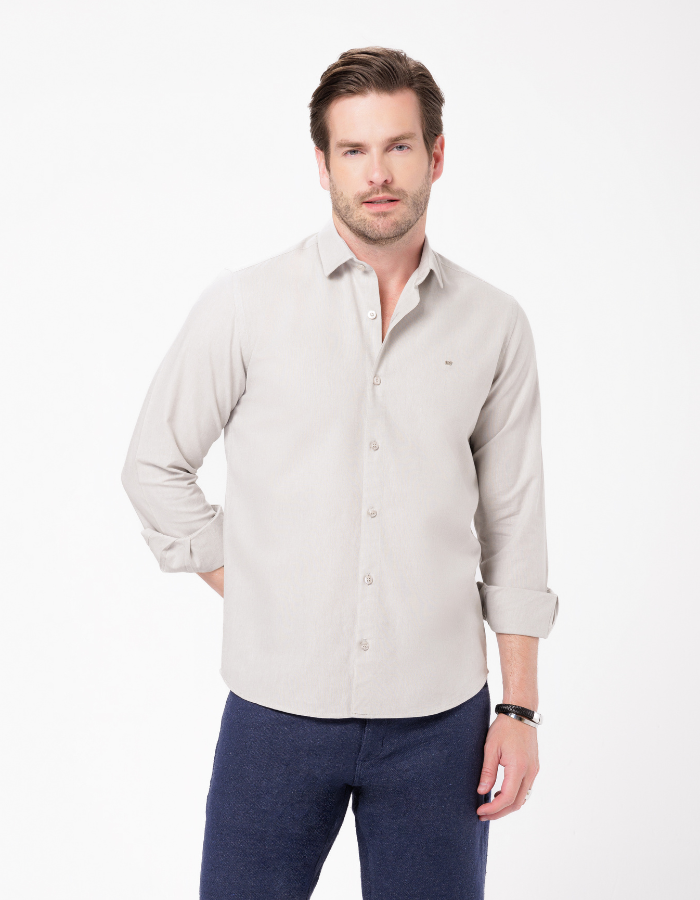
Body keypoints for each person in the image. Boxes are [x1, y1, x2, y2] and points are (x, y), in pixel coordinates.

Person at [122, 45, 559, 900]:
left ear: (436, 155)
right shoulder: (247, 305)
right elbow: (154, 466)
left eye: (398, 146)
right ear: (322, 165)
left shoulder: (495, 324)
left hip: (441, 724)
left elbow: (514, 524)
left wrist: (518, 708)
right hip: (274, 715)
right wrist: (251, 580)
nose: (378, 173)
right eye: (354, 150)